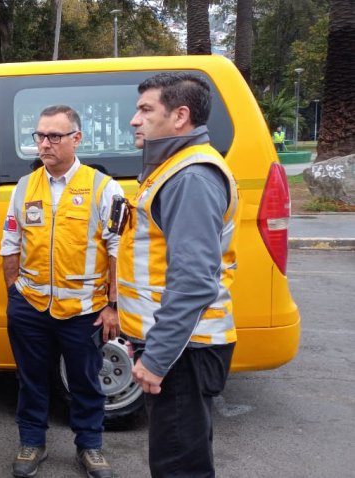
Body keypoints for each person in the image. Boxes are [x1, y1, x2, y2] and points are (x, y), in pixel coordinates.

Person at [120, 73, 240, 478]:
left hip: (183, 350)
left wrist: (155, 358)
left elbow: (192, 281)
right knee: (181, 458)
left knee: (179, 467)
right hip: (179, 346)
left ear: (180, 116)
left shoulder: (190, 176)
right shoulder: (174, 168)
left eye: (145, 109)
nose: (134, 120)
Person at [0, 105, 122, 478]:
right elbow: (11, 243)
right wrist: (14, 295)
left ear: (76, 139)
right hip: (31, 306)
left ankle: (90, 446)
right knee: (31, 379)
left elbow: (119, 251)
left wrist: (113, 306)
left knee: (86, 381)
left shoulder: (104, 188)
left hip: (84, 310)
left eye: (55, 136)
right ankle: (32, 442)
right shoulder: (26, 186)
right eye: (40, 136)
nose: (45, 144)